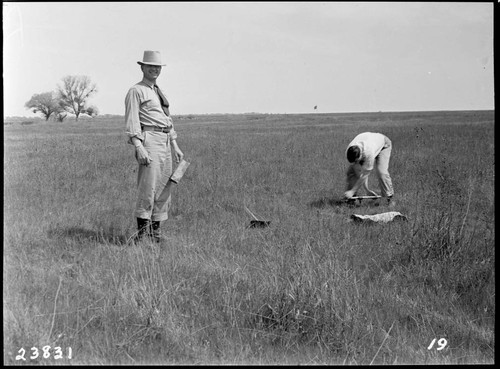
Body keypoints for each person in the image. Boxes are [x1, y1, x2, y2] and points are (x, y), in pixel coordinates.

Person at [125, 50, 184, 243]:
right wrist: (138, 145)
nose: (154, 70)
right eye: (150, 66)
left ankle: (155, 234)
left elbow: (167, 119)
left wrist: (174, 144)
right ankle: (140, 236)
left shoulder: (158, 92)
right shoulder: (136, 90)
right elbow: (132, 120)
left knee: (163, 187)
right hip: (149, 139)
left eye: (157, 67)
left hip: (165, 140)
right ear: (142, 67)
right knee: (148, 188)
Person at [343, 132, 394, 204]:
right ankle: (350, 200)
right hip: (371, 141)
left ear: (360, 156)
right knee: (352, 172)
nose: (356, 163)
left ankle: (389, 198)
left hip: (384, 145)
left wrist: (353, 191)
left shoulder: (368, 153)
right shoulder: (349, 150)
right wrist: (367, 190)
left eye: (357, 161)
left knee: (381, 172)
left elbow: (365, 174)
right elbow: (359, 172)